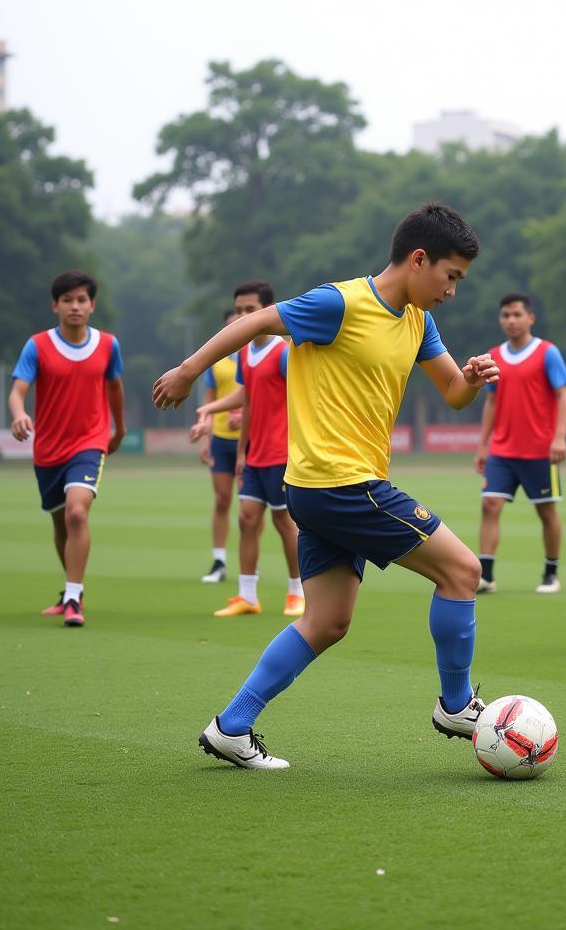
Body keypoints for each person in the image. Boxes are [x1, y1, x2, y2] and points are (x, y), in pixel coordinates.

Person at [153, 203, 499, 770]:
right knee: (462, 571)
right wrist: (190, 369)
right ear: (419, 259)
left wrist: (473, 380)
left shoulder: (418, 320)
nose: (453, 291)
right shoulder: (339, 302)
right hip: (342, 485)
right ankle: (456, 705)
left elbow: (453, 394)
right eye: (451, 276)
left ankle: (231, 727)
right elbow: (257, 322)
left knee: (327, 621)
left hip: (320, 490)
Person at [8, 270, 126, 628]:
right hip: (48, 449)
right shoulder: (37, 346)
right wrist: (18, 414)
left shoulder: (108, 345)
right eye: (67, 300)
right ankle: (71, 590)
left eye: (81, 300)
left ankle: (74, 598)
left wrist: (118, 429)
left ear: (92, 306)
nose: (75, 306)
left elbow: (115, 388)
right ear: (55, 305)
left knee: (77, 513)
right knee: (61, 522)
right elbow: (17, 390)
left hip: (89, 443)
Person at [190, 281, 304, 619]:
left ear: (268, 311)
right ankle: (247, 596)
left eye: (249, 310)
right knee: (246, 519)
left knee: (285, 523)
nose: (242, 316)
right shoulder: (244, 353)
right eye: (238, 310)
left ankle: (297, 593)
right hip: (254, 455)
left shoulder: (284, 352)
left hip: (282, 454)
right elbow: (249, 399)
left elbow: (301, 398)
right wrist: (240, 451)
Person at [474, 292, 566, 595]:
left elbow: (564, 394)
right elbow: (491, 402)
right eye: (505, 315)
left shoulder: (548, 352)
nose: (511, 321)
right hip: (503, 450)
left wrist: (559, 436)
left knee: (546, 511)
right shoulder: (494, 355)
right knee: (490, 505)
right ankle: (486, 576)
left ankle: (551, 573)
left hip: (539, 451)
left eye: (517, 314)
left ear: (530, 318)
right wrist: (483, 444)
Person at [198, 309, 242, 584]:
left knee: (251, 505)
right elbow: (209, 403)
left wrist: (247, 414)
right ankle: (219, 561)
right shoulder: (217, 363)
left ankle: (250, 564)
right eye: (230, 326)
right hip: (222, 441)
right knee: (223, 499)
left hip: (253, 442)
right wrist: (206, 438)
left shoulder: (260, 357)